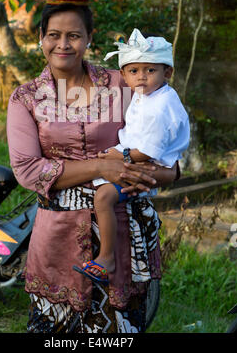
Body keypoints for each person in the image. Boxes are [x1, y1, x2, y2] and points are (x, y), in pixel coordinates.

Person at [7, 2, 179, 333]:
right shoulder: (26, 98)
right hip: (58, 237)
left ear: (89, 38)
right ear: (41, 38)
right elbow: (29, 170)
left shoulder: (124, 84)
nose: (63, 44)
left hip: (123, 232)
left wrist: (145, 173)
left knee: (118, 331)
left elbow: (168, 154)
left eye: (74, 35)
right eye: (54, 35)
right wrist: (102, 166)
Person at [73, 28, 190, 285]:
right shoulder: (147, 95)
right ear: (124, 75)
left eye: (150, 70)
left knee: (104, 197)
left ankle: (106, 258)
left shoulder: (161, 106)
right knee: (98, 174)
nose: (142, 77)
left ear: (167, 72)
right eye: (134, 71)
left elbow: (149, 151)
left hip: (150, 164)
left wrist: (121, 154)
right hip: (140, 157)